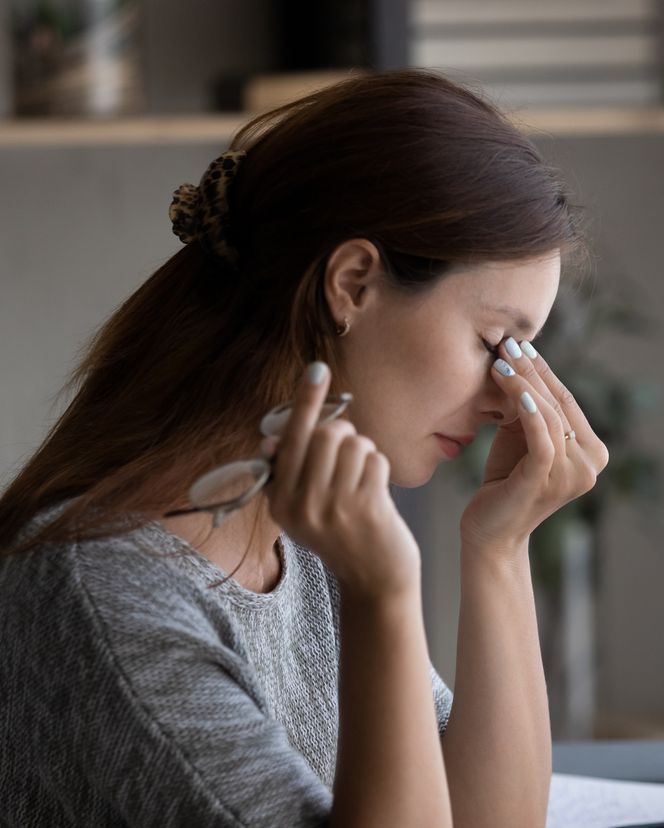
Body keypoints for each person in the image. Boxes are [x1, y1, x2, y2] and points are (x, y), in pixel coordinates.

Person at [0, 68, 609, 826]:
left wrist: (500, 546)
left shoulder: (306, 532)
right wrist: (382, 595)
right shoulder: (102, 593)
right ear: (352, 283)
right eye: (495, 344)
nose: (504, 401)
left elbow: (487, 820)